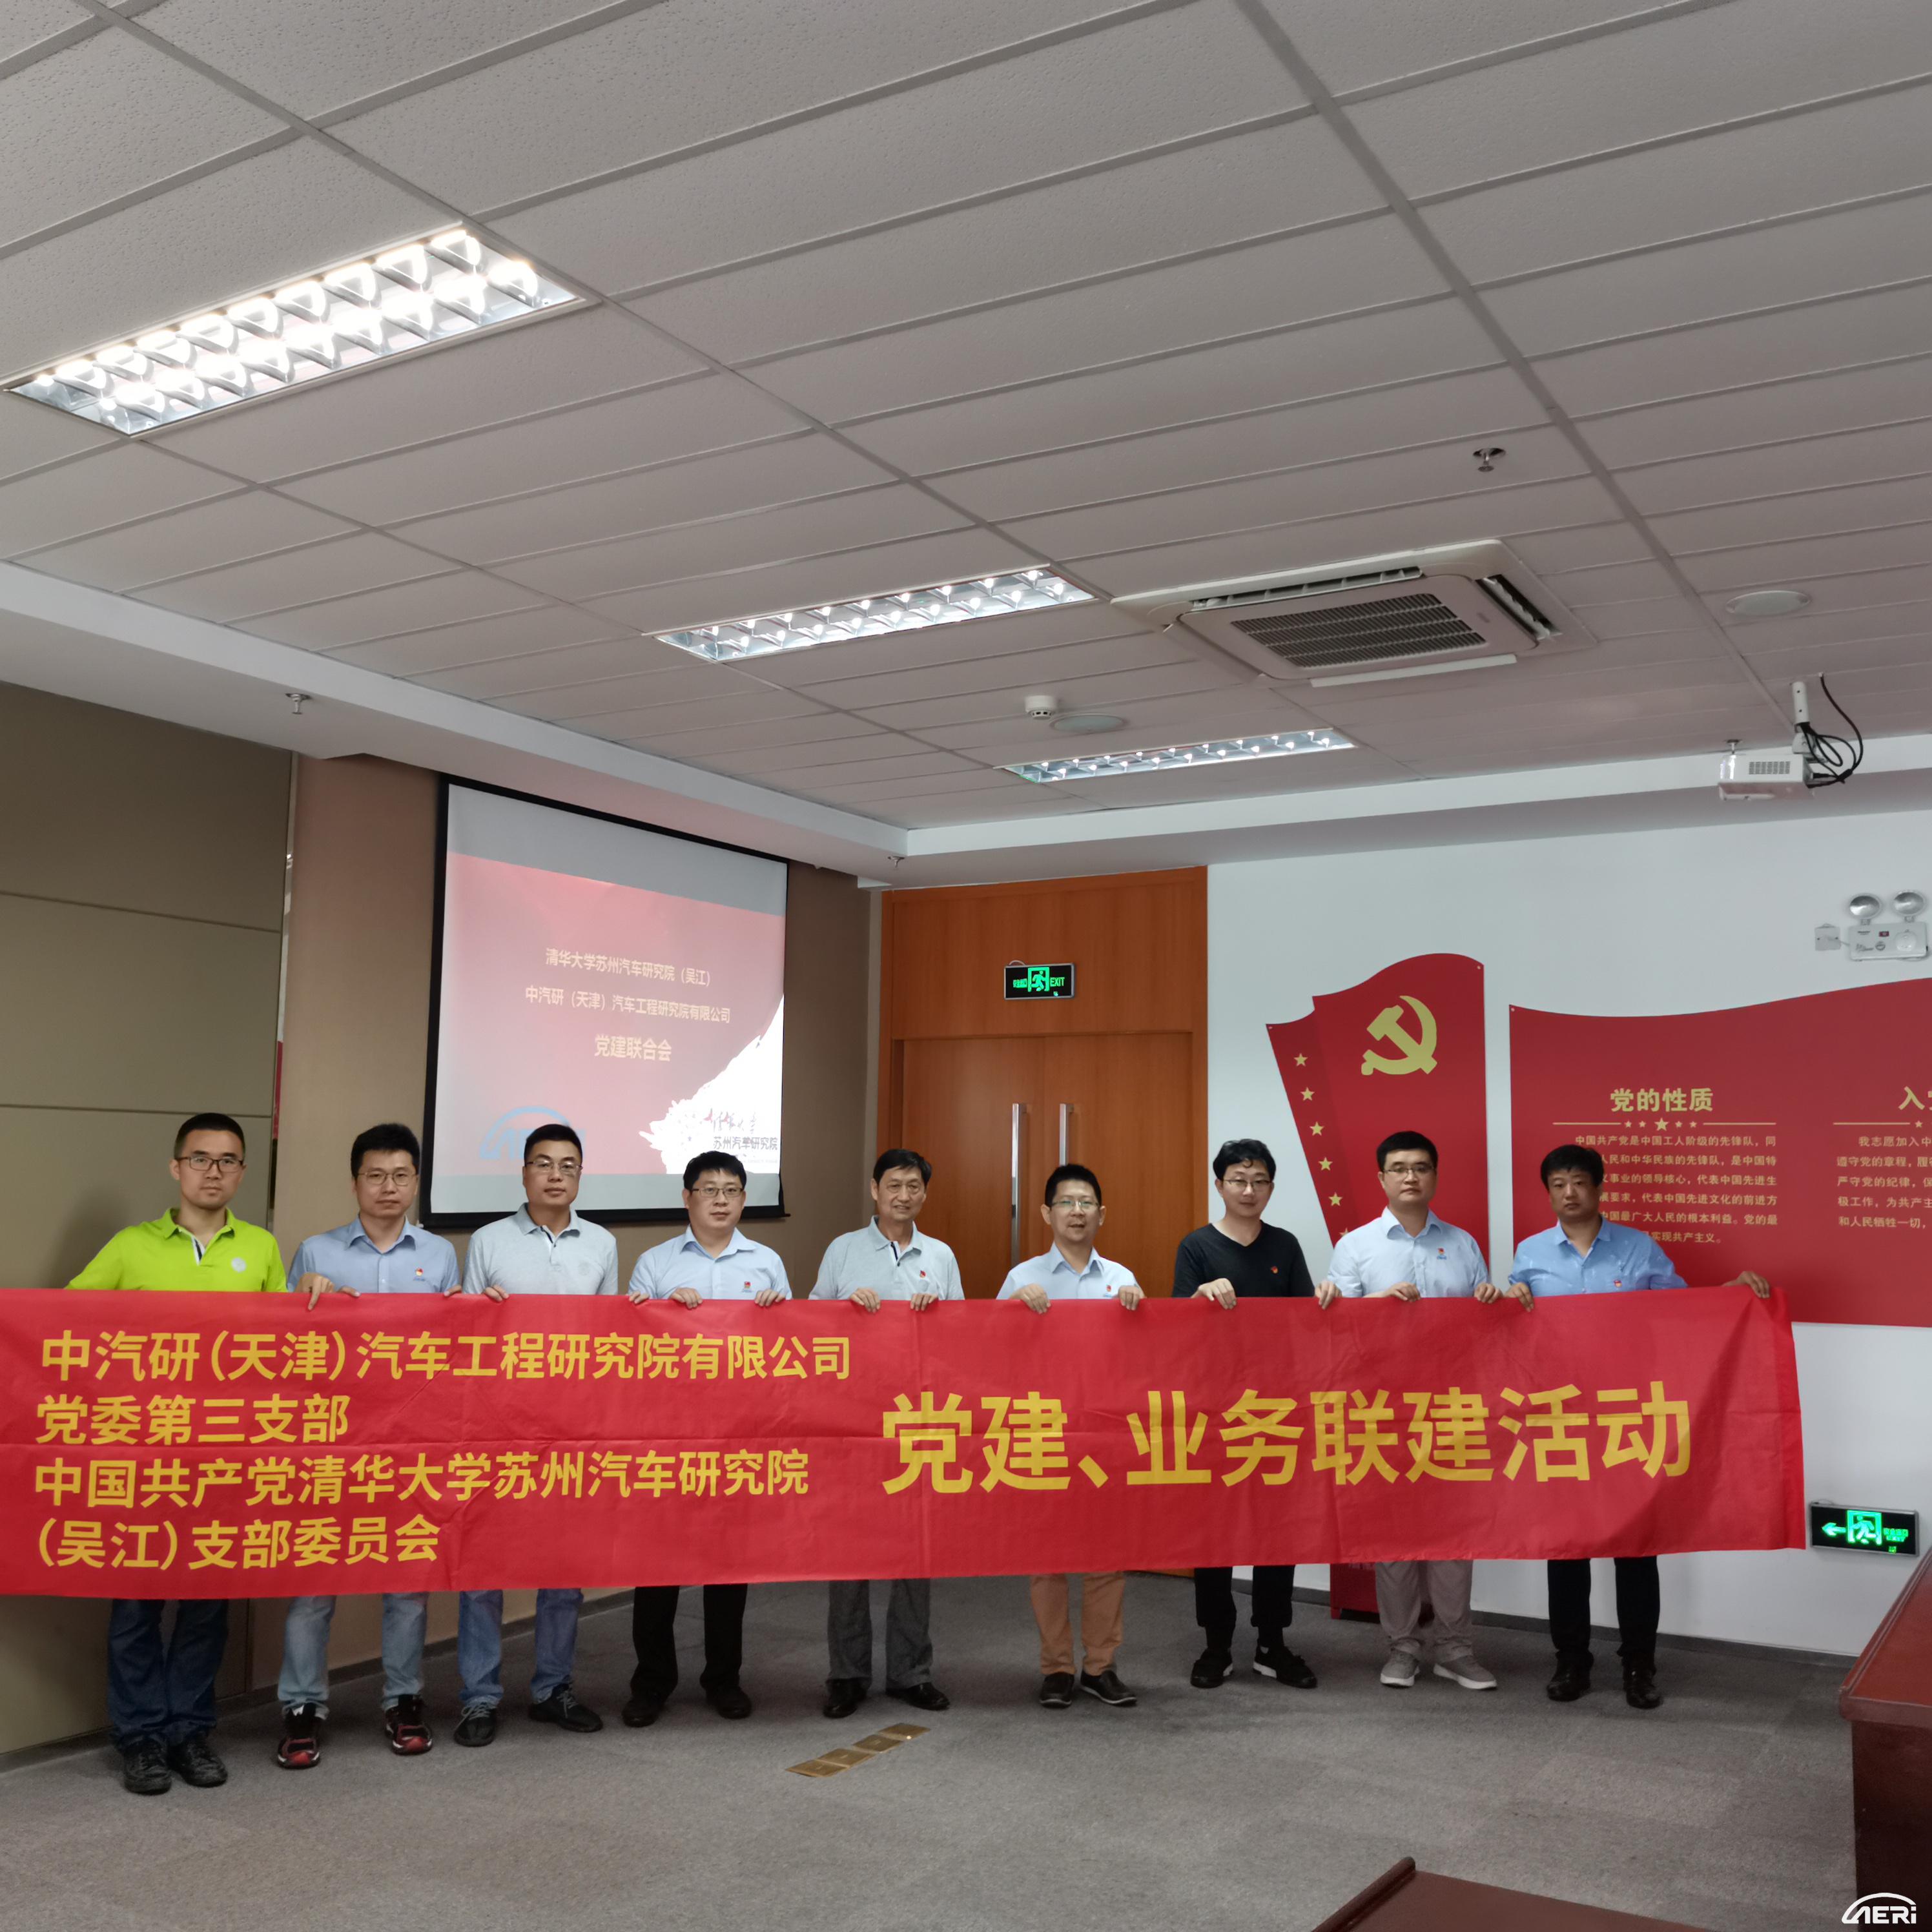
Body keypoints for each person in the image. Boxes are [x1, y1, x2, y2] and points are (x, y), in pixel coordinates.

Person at [69, 1113, 287, 1797]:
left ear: (242, 1172)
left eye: (227, 1161)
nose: (213, 1172)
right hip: (143, 1459)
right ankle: (140, 1738)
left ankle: (189, 1731)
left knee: (206, 1607)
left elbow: (287, 1348)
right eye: (200, 1159)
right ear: (176, 1167)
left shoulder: (261, 1248)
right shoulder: (131, 1247)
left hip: (223, 1460)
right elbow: (62, 1326)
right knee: (136, 1606)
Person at [1510, 1142, 1772, 1711]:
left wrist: (1730, 1296)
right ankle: (1571, 1661)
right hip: (1562, 1419)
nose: (1569, 1193)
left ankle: (1639, 1664)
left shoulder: (1638, 1247)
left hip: (1628, 1415)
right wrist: (1511, 1299)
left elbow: (1680, 1314)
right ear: (1548, 1192)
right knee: (1567, 1547)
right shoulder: (1529, 1254)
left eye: (1579, 1182)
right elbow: (1513, 1332)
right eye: (1558, 1184)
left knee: (1635, 1547)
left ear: (1599, 1187)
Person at [274, 1123, 460, 1770]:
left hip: (410, 1443)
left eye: (401, 1175)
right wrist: (305, 1300)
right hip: (331, 1440)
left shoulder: (440, 1255)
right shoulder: (315, 1250)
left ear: (416, 1182)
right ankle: (301, 1706)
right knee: (314, 1579)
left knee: (406, 1579)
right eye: (375, 1175)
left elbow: (453, 1348)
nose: (388, 1187)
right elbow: (283, 1348)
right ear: (355, 1182)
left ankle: (404, 1698)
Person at [1317, 1130, 1528, 1694]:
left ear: (1434, 1176)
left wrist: (1490, 1299)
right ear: (1382, 1178)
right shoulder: (1356, 1246)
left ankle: (1456, 1649)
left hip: (1453, 1407)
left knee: (1455, 1534)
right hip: (1384, 1408)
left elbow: (1486, 1327)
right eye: (1399, 1168)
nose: (1410, 1177)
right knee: (1396, 1537)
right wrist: (1376, 1306)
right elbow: (1336, 1327)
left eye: (1421, 1167)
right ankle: (1403, 1648)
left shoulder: (1461, 1244)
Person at [449, 1122, 617, 1745]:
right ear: (523, 1173)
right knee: (483, 1568)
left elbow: (607, 1340)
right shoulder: (488, 1240)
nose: (555, 1175)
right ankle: (479, 1697)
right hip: (498, 1423)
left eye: (568, 1166)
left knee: (562, 1567)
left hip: (570, 1425)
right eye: (543, 1164)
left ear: (580, 1176)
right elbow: (465, 1337)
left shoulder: (601, 1243)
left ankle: (553, 1687)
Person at [624, 1150, 790, 1725]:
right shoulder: (655, 1263)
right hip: (669, 1435)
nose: (721, 1200)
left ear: (744, 1199)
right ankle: (651, 1683)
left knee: (728, 1564)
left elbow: (789, 1352)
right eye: (709, 1189)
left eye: (732, 1190)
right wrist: (663, 1314)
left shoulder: (767, 1263)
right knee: (657, 1566)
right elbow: (630, 1350)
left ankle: (724, 1678)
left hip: (739, 1435)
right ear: (687, 1197)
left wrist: (777, 1314)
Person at [811, 1148, 963, 1721]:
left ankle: (911, 1673)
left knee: (914, 1550)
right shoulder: (843, 1250)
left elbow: (965, 1337)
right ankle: (847, 1674)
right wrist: (845, 1310)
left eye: (914, 1186)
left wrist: (939, 1314)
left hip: (920, 1419)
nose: (904, 1195)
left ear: (925, 1193)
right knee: (848, 1552)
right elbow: (810, 1326)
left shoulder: (940, 1255)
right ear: (875, 1190)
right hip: (853, 1419)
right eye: (894, 1185)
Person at [1174, 1137, 1321, 1692]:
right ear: (1220, 1185)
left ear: (1271, 1188)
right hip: (1215, 1411)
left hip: (1274, 1410)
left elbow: (1305, 1322)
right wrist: (1199, 1297)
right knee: (1213, 1532)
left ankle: (1271, 1643)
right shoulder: (1196, 1246)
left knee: (1276, 1532)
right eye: (1238, 1179)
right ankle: (1216, 1643)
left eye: (1259, 1181)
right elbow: (1174, 1328)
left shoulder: (1286, 1244)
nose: (1249, 1189)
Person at [998, 1162, 1142, 1711]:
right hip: (1045, 1431)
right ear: (1046, 1213)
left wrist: (1138, 1311)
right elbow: (987, 1354)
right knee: (1048, 1558)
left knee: (1107, 1557)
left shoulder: (1121, 1277)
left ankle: (1101, 1666)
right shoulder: (1022, 1278)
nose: (1076, 1212)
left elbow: (1142, 1360)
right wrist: (1013, 1312)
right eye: (1066, 1202)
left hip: (1104, 1432)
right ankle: (1056, 1667)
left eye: (1086, 1203)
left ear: (1101, 1214)